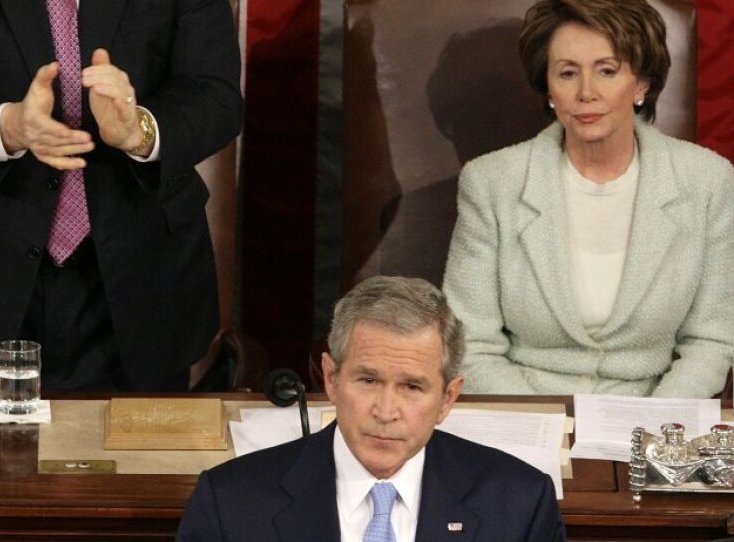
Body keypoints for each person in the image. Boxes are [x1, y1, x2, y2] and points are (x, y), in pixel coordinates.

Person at [0, 0, 243, 391]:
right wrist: (7, 127)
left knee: (139, 453)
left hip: (138, 285)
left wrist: (139, 131)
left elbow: (216, 94)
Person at [442, 0, 734, 398]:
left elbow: (711, 342)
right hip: (528, 412)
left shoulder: (708, 180)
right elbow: (471, 344)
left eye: (607, 71)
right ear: (548, 89)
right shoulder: (491, 182)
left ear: (642, 84)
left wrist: (650, 429)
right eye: (567, 73)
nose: (586, 93)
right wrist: (542, 427)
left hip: (655, 417)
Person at [177, 276, 565, 542]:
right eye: (368, 380)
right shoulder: (231, 502)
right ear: (331, 379)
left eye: (412, 386)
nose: (385, 410)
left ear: (448, 398)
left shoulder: (520, 504)